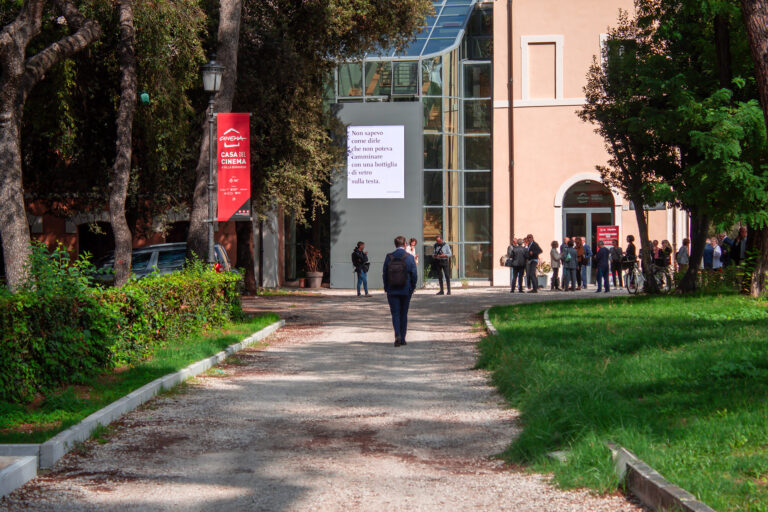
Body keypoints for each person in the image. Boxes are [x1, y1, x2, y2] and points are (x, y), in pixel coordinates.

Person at [383, 236, 418, 347]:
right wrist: (412, 287)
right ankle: (402, 338)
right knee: (404, 314)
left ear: (395, 245)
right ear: (404, 245)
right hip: (405, 289)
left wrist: (386, 287)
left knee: (395, 314)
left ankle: (397, 334)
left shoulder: (389, 257)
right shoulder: (409, 257)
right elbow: (414, 275)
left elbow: (384, 274)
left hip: (392, 290)